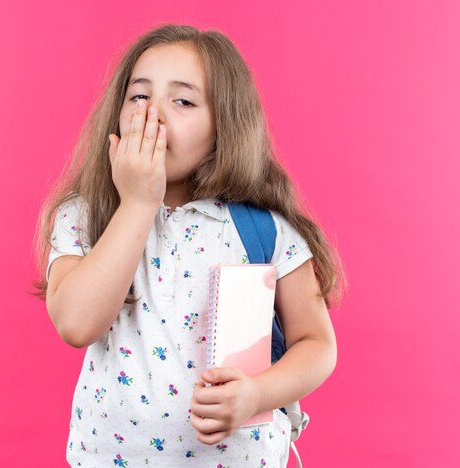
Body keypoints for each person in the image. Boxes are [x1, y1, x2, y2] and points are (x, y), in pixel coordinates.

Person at [32, 23, 346, 467]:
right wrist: (138, 203)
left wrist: (256, 393)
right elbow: (76, 324)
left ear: (225, 124)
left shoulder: (266, 231)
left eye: (182, 101)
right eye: (139, 96)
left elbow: (317, 344)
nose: (152, 114)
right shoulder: (85, 215)